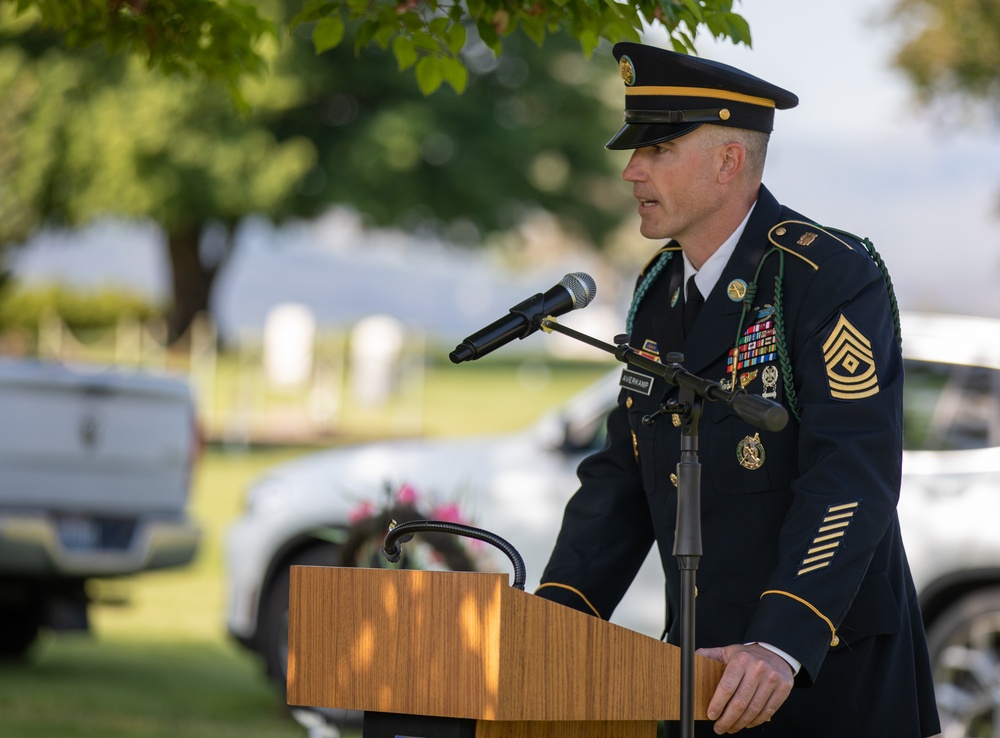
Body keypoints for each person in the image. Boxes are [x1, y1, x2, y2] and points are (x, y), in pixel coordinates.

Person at [534, 42, 941, 737]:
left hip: (823, 671)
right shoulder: (658, 290)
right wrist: (550, 621)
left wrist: (781, 640)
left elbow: (853, 472)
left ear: (728, 162)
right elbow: (622, 478)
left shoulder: (827, 275)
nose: (631, 170)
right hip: (700, 671)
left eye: (657, 149)